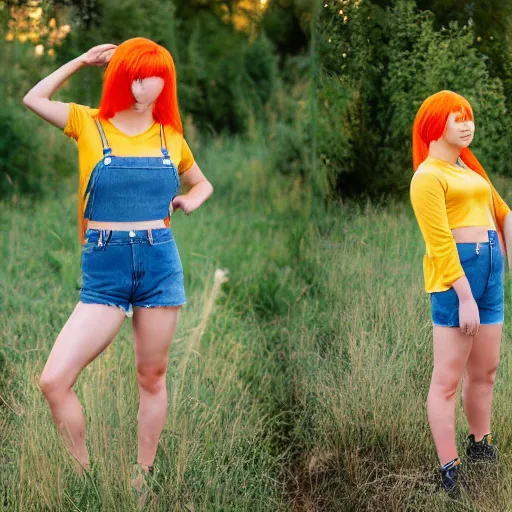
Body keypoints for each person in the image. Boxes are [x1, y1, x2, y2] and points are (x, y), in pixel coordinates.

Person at [22, 38, 213, 506]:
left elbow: (202, 181)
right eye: (131, 72)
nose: (140, 82)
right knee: (54, 380)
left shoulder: (171, 136)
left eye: (151, 75)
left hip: (158, 264)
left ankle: (141, 475)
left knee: (152, 378)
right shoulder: (88, 122)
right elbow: (34, 98)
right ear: (118, 76)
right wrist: (82, 60)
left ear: (163, 83)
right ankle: (83, 474)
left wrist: (191, 198)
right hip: (104, 271)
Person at [410, 90, 512, 495]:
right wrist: (465, 296)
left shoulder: (473, 174)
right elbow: (439, 243)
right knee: (447, 381)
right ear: (435, 125)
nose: (467, 124)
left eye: (468, 117)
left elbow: (504, 215)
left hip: (491, 275)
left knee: (485, 371)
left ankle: (480, 446)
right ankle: (448, 469)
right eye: (458, 118)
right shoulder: (428, 176)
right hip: (458, 281)